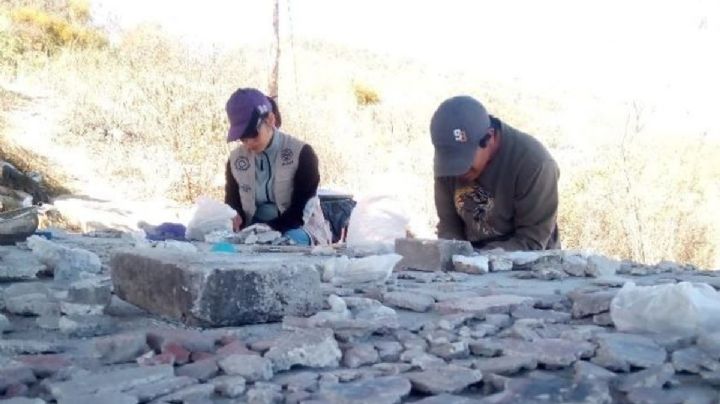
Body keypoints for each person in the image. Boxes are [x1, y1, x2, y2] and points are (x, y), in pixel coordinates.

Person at [431, 95, 560, 251]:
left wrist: (475, 259)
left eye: (464, 160)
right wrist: (456, 256)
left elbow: (531, 242)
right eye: (451, 160)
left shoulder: (535, 164)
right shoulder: (446, 164)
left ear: (489, 137)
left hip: (529, 266)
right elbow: (449, 227)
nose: (457, 171)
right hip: (469, 260)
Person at [224, 88, 330, 245]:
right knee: (220, 246)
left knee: (283, 244)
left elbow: (300, 211)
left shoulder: (302, 153)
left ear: (270, 120)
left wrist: (269, 228)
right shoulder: (235, 160)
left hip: (299, 228)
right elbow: (233, 202)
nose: (248, 143)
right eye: (242, 138)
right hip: (252, 231)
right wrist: (234, 218)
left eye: (252, 134)